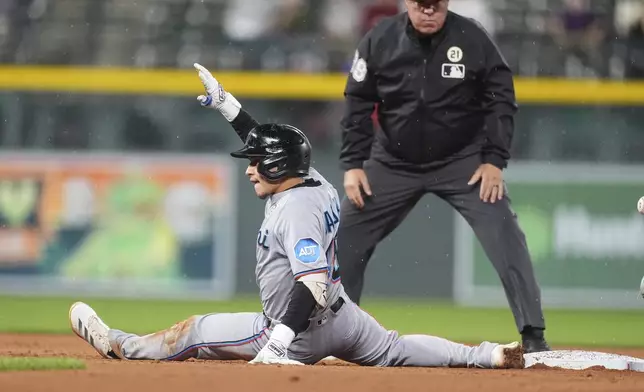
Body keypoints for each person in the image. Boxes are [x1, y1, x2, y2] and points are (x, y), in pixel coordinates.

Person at [68, 63, 525, 369]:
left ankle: (118, 345)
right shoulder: (313, 181)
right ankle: (483, 356)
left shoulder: (292, 210)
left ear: (277, 167)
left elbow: (312, 281)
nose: (249, 169)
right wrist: (229, 106)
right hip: (344, 320)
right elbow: (270, 143)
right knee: (395, 349)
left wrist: (279, 343)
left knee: (196, 331)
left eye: (255, 162)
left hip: (297, 330)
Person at [337, 0, 551, 353]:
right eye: (421, 5)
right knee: (345, 238)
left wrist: (494, 160)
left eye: (435, 5)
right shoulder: (381, 38)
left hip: (462, 162)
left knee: (505, 234)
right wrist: (354, 164)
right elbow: (357, 100)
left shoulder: (472, 37)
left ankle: (533, 335)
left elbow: (501, 97)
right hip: (392, 162)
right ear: (407, 3)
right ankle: (337, 333)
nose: (428, 12)